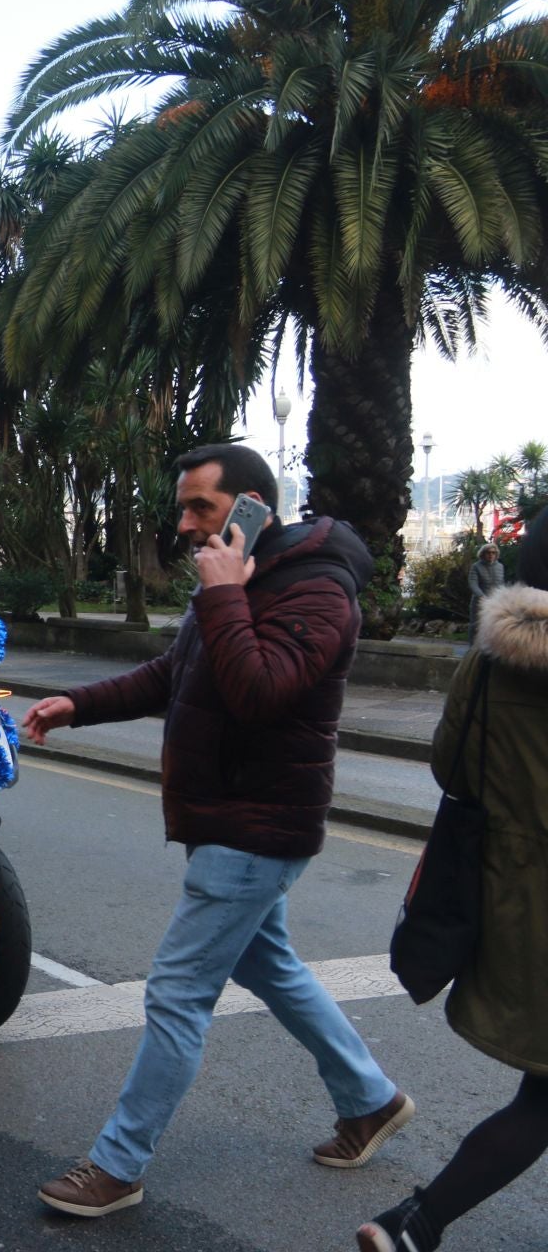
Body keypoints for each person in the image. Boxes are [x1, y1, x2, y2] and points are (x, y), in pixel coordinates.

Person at [24, 443, 410, 1218]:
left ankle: (118, 1164)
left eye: (201, 506)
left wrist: (225, 595)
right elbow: (176, 675)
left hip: (258, 824)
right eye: (184, 507)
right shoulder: (238, 580)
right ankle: (369, 1098)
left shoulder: (317, 590)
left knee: (176, 991)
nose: (186, 524)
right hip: (228, 815)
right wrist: (78, 704)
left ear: (254, 506)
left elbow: (259, 690)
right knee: (269, 965)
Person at [355, 511, 548, 1252]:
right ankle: (418, 1223)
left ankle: (416, 1225)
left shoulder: (491, 661)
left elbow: (452, 769)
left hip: (516, 903)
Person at [467, 541, 505, 643]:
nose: (491, 555)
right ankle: (472, 650)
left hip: (496, 602)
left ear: (496, 554)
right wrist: (481, 596)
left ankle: (489, 651)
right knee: (476, 625)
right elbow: (473, 583)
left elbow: (501, 584)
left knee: (494, 626)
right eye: (488, 552)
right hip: (479, 601)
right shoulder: (476, 566)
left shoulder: (500, 567)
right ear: (483, 554)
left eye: (493, 553)